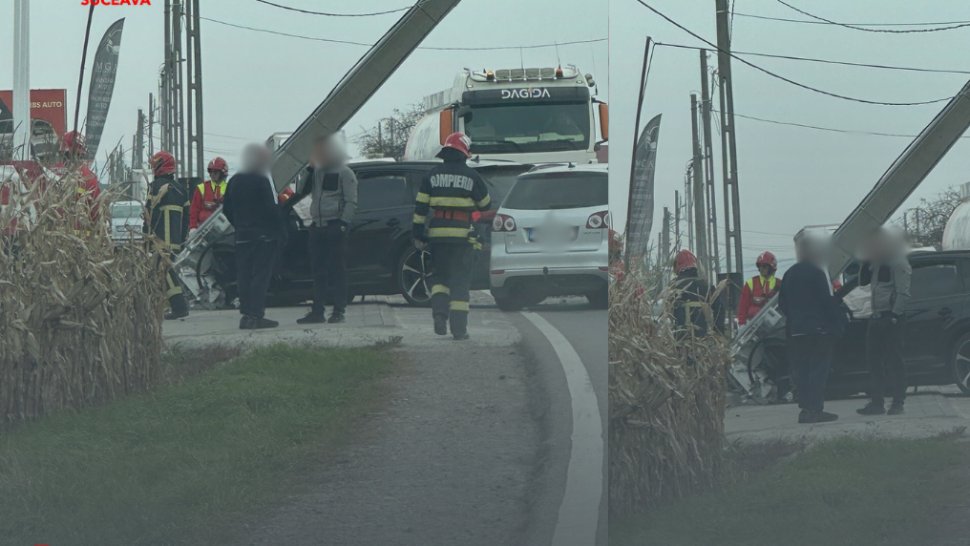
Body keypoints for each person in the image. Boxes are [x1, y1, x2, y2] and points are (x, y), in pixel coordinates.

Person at [412, 132, 490, 340]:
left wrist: (418, 234)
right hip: (462, 238)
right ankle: (459, 329)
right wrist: (481, 238)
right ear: (464, 154)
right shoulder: (473, 177)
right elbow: (485, 207)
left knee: (439, 279)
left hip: (437, 236)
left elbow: (420, 209)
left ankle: (439, 315)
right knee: (460, 282)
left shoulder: (431, 175)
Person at [777, 234, 845, 424]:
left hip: (797, 332)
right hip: (818, 331)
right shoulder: (816, 273)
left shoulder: (790, 273)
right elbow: (827, 303)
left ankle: (805, 410)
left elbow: (782, 304)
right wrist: (837, 325)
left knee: (802, 371)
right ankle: (815, 409)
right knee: (818, 371)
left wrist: (795, 318)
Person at [294, 135, 358, 325]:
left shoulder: (345, 173)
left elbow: (351, 201)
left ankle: (339, 311)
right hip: (317, 227)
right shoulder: (316, 172)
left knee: (337, 271)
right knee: (318, 272)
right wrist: (309, 167)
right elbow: (301, 191)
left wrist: (342, 224)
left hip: (334, 226)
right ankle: (317, 311)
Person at [222, 143, 285, 330]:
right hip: (262, 237)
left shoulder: (234, 181)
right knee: (260, 276)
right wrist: (279, 230)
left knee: (244, 276)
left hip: (242, 237)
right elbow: (270, 208)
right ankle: (256, 315)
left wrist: (239, 225)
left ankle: (246, 315)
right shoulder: (260, 180)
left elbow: (227, 209)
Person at [857, 229, 912, 416]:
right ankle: (877, 403)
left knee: (894, 361)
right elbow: (862, 282)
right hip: (876, 316)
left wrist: (895, 315)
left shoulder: (898, 262)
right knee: (874, 361)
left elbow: (903, 292)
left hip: (891, 317)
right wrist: (865, 261)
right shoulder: (877, 263)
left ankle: (898, 403)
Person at [147, 150, 190, 320]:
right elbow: (187, 217)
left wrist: (147, 236)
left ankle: (179, 306)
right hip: (175, 239)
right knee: (166, 270)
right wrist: (182, 239)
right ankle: (174, 304)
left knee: (165, 270)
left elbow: (149, 213)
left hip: (160, 239)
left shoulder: (155, 187)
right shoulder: (181, 189)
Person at [670, 249, 724, 339]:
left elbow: (668, 312)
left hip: (680, 338)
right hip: (703, 339)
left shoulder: (674, 287)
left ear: (677, 266)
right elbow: (720, 308)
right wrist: (718, 331)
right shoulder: (706, 286)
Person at [52, 131, 102, 225]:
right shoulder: (90, 177)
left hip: (61, 233)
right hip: (83, 234)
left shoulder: (55, 173)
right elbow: (96, 212)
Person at [737, 251, 781, 326]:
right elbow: (743, 306)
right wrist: (741, 324)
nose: (761, 268)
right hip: (753, 326)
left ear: (771, 267)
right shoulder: (751, 283)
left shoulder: (780, 284)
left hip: (775, 326)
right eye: (760, 266)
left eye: (764, 266)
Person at [188, 157, 229, 234]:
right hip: (202, 230)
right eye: (210, 171)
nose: (212, 174)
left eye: (215, 172)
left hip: (224, 230)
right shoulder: (201, 187)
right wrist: (193, 227)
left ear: (222, 173)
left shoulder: (229, 188)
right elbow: (194, 209)